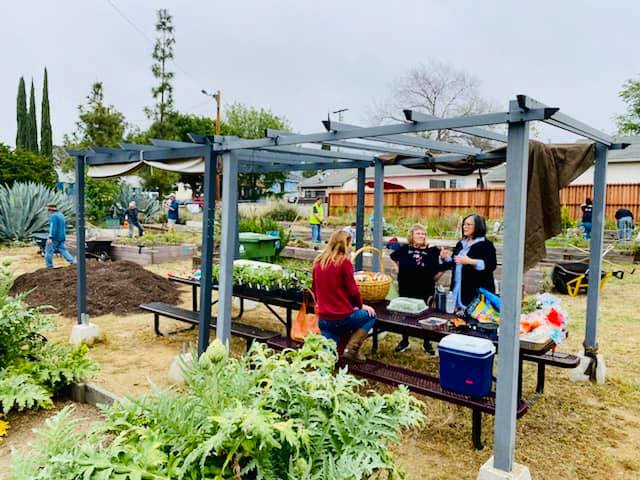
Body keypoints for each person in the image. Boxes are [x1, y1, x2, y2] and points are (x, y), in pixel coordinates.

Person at [312, 230, 377, 361]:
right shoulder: (344, 263)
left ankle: (323, 375)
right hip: (342, 317)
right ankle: (351, 349)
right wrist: (360, 305)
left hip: (324, 319)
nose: (351, 247)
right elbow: (353, 292)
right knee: (371, 315)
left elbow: (314, 288)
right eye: (350, 244)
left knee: (327, 359)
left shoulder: (319, 262)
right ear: (344, 245)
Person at [391, 224, 450, 354]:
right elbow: (393, 257)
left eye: (423, 234)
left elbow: (442, 267)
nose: (421, 236)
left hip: (425, 288)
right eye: (418, 233)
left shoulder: (432, 251)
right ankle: (404, 341)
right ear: (411, 235)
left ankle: (426, 342)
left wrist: (437, 276)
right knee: (404, 313)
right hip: (406, 287)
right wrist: (398, 269)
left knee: (426, 314)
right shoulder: (404, 249)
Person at [440, 214, 497, 311]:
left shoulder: (486, 245)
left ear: (478, 226)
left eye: (468, 224)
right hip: (457, 293)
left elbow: (490, 265)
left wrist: (470, 261)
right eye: (464, 224)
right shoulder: (461, 244)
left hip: (476, 295)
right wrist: (446, 257)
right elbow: (455, 261)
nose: (464, 227)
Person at [44, 203, 76, 269]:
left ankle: (49, 267)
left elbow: (53, 227)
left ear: (50, 210)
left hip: (54, 237)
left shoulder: (53, 216)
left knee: (48, 252)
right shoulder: (61, 215)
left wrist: (50, 237)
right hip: (62, 236)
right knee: (63, 250)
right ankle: (73, 262)